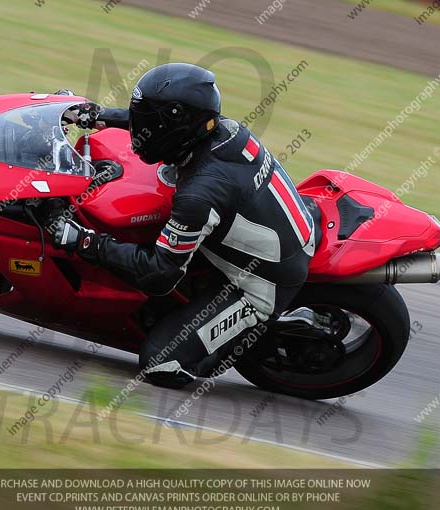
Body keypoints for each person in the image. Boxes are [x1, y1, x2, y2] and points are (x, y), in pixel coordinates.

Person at [52, 63, 315, 389]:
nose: (141, 129)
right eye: (141, 117)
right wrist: (97, 116)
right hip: (268, 224)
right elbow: (157, 125)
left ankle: (267, 327)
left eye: (149, 122)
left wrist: (87, 243)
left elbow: (159, 275)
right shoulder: (220, 128)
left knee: (160, 363)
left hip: (264, 282)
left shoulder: (198, 195)